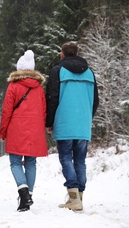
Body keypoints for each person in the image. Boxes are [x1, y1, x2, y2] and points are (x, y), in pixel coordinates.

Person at [46, 42, 99, 211]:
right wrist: (86, 118)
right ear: (77, 53)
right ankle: (79, 197)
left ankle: (74, 197)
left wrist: (49, 122)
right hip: (82, 122)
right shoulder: (90, 73)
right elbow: (95, 100)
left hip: (64, 122)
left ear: (62, 54)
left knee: (66, 158)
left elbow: (52, 97)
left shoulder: (58, 71)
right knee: (80, 160)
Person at [0, 50, 48, 212]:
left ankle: (24, 193)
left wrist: (3, 132)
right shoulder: (39, 88)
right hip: (35, 129)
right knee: (31, 163)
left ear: (19, 69)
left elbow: (7, 111)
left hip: (16, 129)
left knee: (15, 162)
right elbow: (43, 111)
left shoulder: (13, 86)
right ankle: (28, 196)